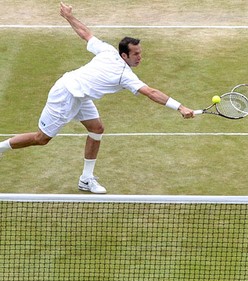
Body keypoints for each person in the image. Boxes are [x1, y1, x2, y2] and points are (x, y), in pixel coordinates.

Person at [0, 2, 194, 193]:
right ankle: (1, 148)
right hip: (66, 94)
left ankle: (86, 179)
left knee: (97, 128)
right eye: (135, 54)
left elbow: (86, 34)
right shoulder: (123, 75)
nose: (139, 57)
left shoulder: (108, 50)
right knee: (41, 138)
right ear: (124, 55)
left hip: (81, 96)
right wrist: (180, 107)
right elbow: (151, 92)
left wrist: (68, 16)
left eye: (140, 53)